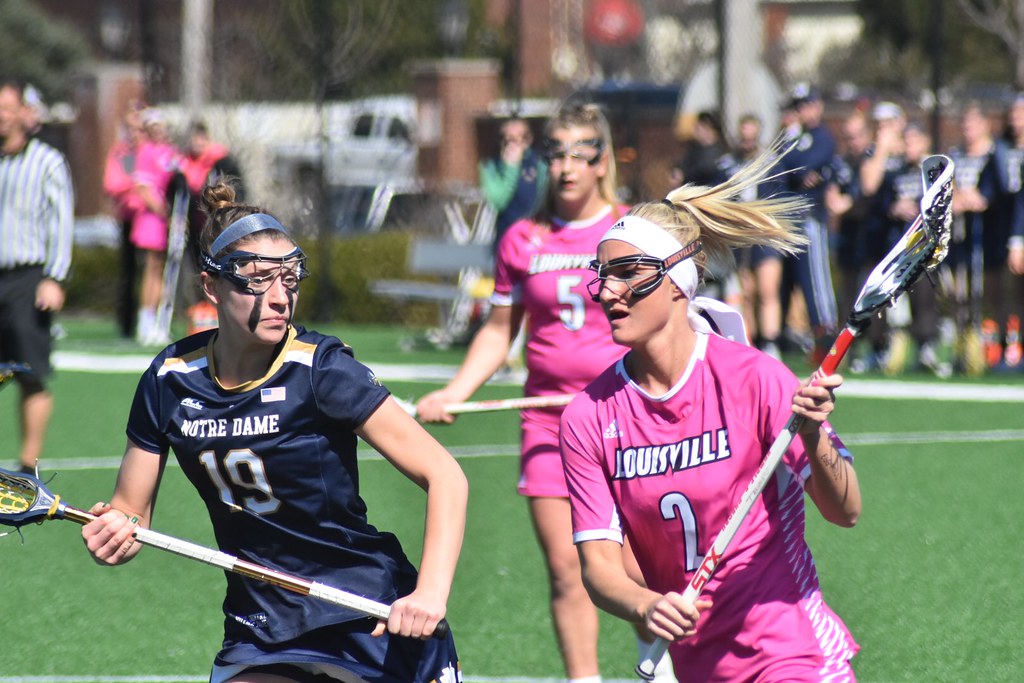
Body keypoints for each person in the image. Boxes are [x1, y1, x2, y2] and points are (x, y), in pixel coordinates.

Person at [81, 180, 466, 683]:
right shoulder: (169, 379)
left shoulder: (320, 369)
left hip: (369, 615)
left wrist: (430, 593)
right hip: (262, 630)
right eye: (259, 279)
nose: (281, 297)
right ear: (211, 286)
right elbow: (132, 513)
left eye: (290, 277)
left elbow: (445, 475)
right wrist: (117, 531)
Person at [559, 146, 861, 681]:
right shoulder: (587, 417)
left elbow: (845, 510)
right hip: (700, 667)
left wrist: (813, 434)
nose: (607, 292)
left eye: (627, 273)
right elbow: (600, 568)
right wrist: (644, 605)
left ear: (679, 280)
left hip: (794, 654)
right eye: (601, 274)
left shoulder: (755, 379)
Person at [418, 103, 669, 683]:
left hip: (626, 417)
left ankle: (662, 659)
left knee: (635, 566)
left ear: (602, 160)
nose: (567, 166)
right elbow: (501, 329)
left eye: (581, 153)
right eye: (555, 153)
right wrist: (455, 391)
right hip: (549, 425)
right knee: (570, 567)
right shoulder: (523, 238)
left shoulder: (632, 229)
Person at [0, 77, 74, 476]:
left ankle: (27, 467)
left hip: (28, 279)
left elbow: (62, 222)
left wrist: (54, 277)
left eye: (6, 108)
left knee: (30, 372)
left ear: (23, 113)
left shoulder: (47, 162)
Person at [779, 83, 840, 364]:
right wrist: (802, 169)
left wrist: (804, 169)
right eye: (798, 106)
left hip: (811, 217)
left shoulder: (823, 137)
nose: (802, 111)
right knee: (795, 281)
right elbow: (789, 165)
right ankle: (805, 336)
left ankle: (827, 336)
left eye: (807, 105)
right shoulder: (795, 137)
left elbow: (809, 163)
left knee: (817, 278)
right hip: (790, 219)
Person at [132, 106, 182, 346]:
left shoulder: (170, 152)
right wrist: (164, 211)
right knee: (152, 268)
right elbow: (143, 188)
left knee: (162, 269)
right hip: (153, 218)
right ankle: (146, 320)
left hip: (167, 217)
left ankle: (160, 319)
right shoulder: (146, 152)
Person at [102, 100, 147, 338]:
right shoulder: (120, 152)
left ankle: (151, 320)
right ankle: (127, 323)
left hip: (151, 220)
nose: (134, 132)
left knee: (152, 271)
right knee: (128, 273)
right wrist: (135, 185)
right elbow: (112, 183)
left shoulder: (150, 150)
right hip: (129, 218)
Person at [478, 115, 549, 251]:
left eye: (519, 138)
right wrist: (511, 168)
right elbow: (498, 201)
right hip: (506, 237)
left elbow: (545, 197)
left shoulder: (540, 162)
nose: (513, 144)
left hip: (535, 238)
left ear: (529, 139)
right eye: (508, 139)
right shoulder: (490, 165)